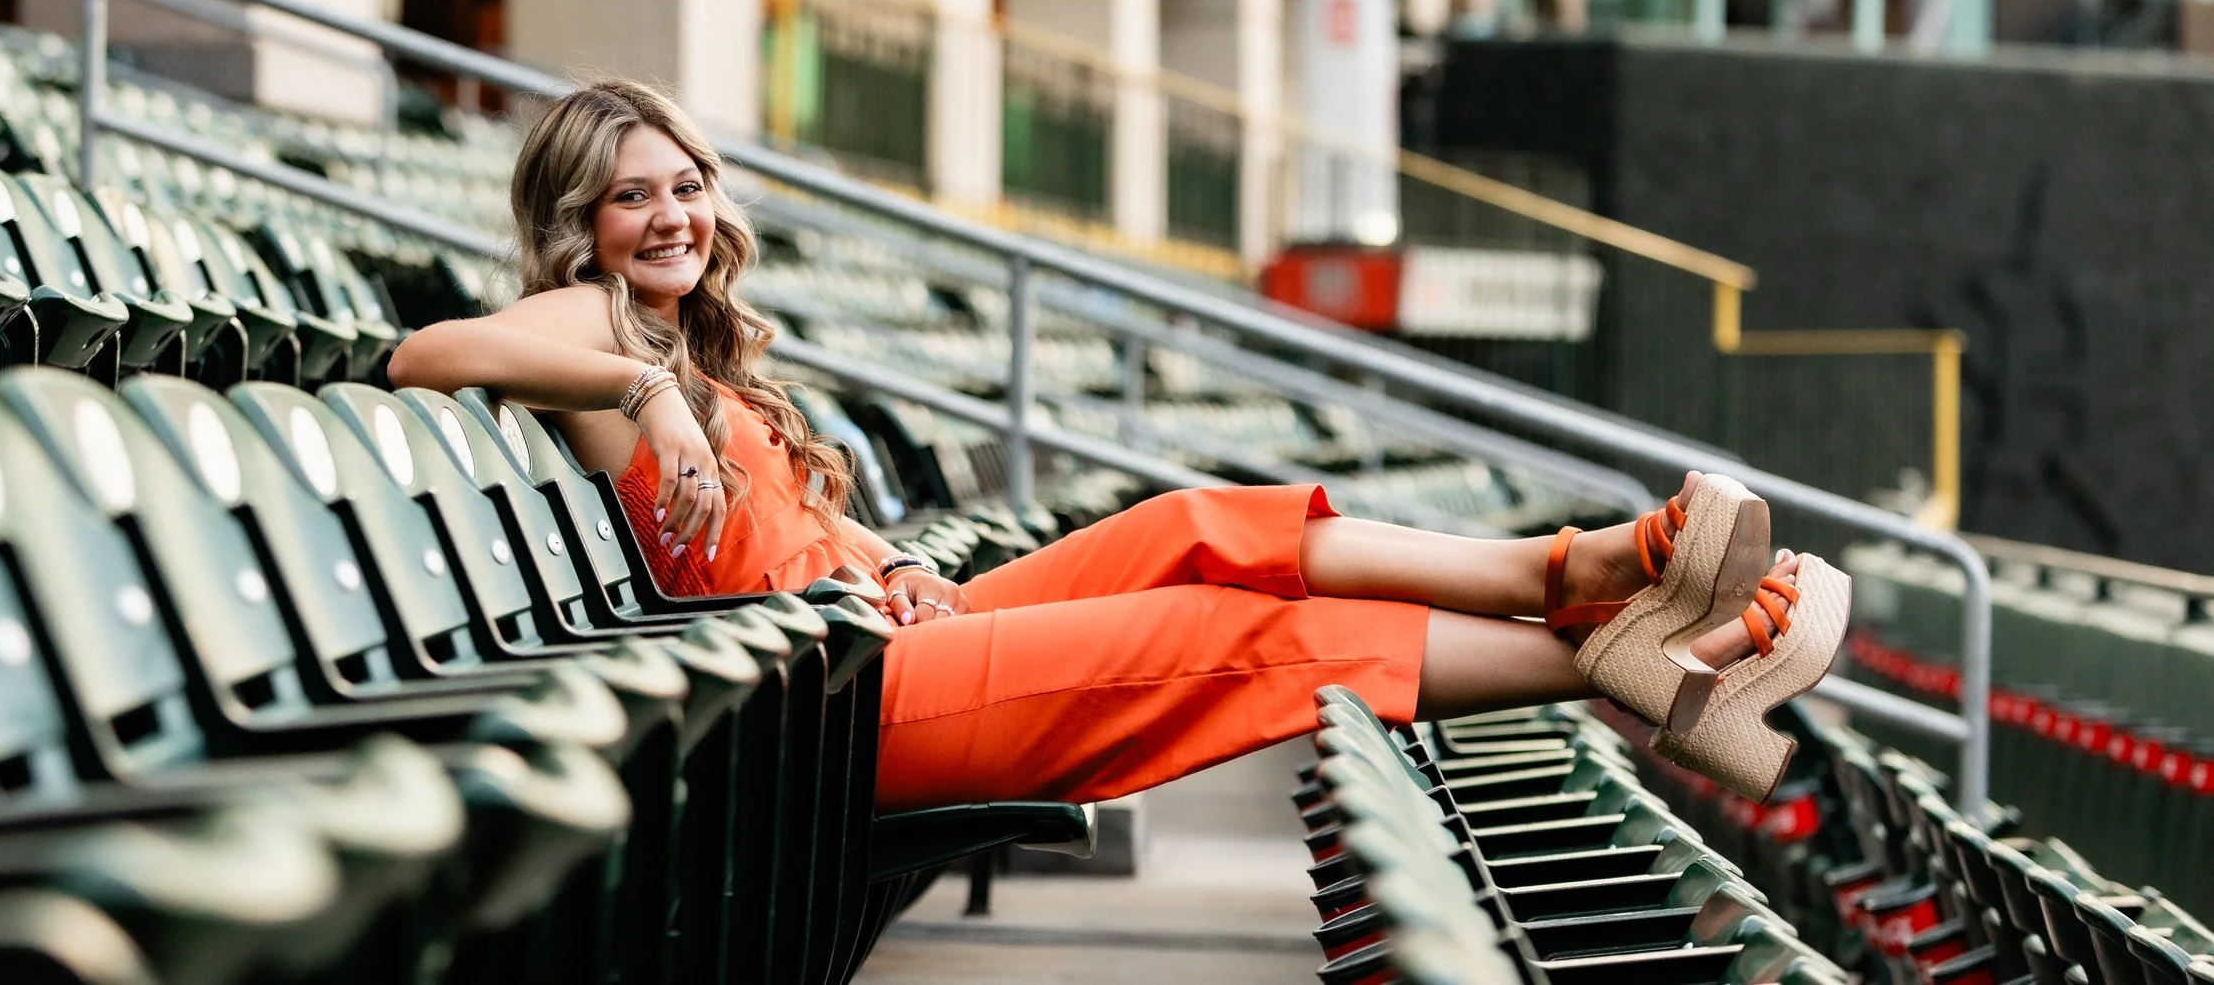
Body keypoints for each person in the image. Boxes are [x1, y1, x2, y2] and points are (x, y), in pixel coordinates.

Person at [388, 79, 1850, 805]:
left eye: (689, 184)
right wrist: (642, 394)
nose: (674, 216)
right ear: (579, 221)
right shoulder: (586, 329)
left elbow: (773, 534)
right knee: (1225, 632)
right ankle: (1643, 664)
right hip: (825, 705)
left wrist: (878, 550)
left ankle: (1576, 572)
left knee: (1199, 520)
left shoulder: (670, 339)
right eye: (634, 195)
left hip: (875, 635)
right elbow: (420, 353)